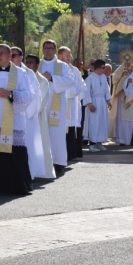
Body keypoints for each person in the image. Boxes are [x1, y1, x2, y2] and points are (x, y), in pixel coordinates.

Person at [0, 44, 34, 195]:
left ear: (10, 55)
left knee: (14, 153)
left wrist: (10, 94)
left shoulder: (20, 73)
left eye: (3, 53)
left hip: (12, 120)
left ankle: (17, 186)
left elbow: (29, 95)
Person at [39, 39, 79, 173]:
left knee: (57, 134)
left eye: (51, 48)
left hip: (57, 105)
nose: (48, 51)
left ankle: (58, 162)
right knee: (40, 133)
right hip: (40, 105)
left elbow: (70, 81)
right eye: (46, 48)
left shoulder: (62, 66)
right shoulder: (37, 65)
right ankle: (41, 163)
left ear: (55, 50)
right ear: (42, 50)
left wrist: (52, 79)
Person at [11, 46, 47, 179]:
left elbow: (35, 96)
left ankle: (27, 176)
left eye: (14, 55)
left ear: (21, 57)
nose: (11, 58)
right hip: (6, 117)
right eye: (10, 55)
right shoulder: (3, 71)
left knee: (27, 147)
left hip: (26, 117)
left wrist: (23, 112)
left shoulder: (28, 73)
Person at [25, 54, 55, 180]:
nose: (28, 65)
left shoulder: (42, 81)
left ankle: (41, 171)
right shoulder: (22, 77)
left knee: (39, 143)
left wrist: (26, 111)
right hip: (22, 117)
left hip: (36, 116)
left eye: (31, 63)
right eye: (27, 62)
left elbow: (41, 101)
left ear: (37, 66)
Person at [84, 59, 111, 152]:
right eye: (103, 68)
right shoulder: (90, 78)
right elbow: (86, 92)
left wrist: (108, 101)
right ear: (98, 68)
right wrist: (90, 104)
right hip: (94, 102)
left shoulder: (103, 77)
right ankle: (92, 144)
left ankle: (99, 142)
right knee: (94, 123)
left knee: (102, 123)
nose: (104, 70)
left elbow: (106, 90)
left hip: (102, 102)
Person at [110, 55, 133, 146]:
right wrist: (122, 75)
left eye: (129, 60)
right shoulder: (120, 69)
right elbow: (114, 79)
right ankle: (122, 139)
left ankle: (132, 139)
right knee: (122, 119)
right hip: (121, 97)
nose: (127, 62)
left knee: (132, 119)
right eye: (126, 60)